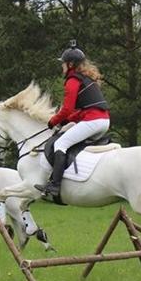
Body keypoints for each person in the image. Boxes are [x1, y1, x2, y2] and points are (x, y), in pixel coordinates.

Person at [36, 41, 111, 204]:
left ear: (70, 64)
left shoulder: (73, 80)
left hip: (93, 121)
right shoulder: (87, 78)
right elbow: (79, 111)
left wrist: (53, 121)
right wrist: (66, 122)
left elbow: (67, 109)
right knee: (70, 141)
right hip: (103, 120)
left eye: (63, 64)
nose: (62, 67)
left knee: (60, 144)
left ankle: (54, 186)